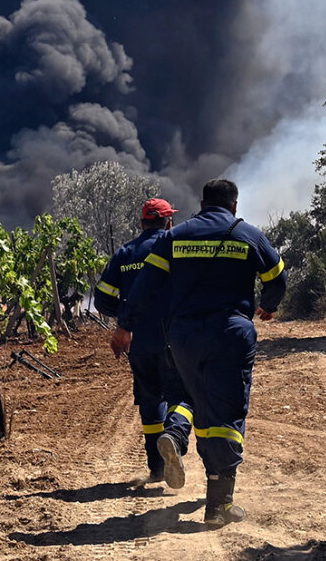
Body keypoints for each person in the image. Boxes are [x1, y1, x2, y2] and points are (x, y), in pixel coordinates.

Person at [113, 178, 287, 527]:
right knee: (227, 414)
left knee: (195, 400)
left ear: (202, 203)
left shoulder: (174, 237)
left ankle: (177, 437)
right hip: (230, 334)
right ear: (234, 206)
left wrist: (125, 325)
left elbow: (145, 286)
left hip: (184, 337)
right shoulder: (247, 234)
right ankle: (218, 504)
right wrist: (268, 306)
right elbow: (277, 278)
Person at [92, 197, 194, 487]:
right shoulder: (176, 248)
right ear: (169, 222)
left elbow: (102, 298)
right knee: (184, 396)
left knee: (150, 403)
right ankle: (174, 436)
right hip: (174, 339)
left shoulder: (124, 253)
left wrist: (125, 318)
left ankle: (157, 470)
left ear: (141, 223)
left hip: (138, 341)